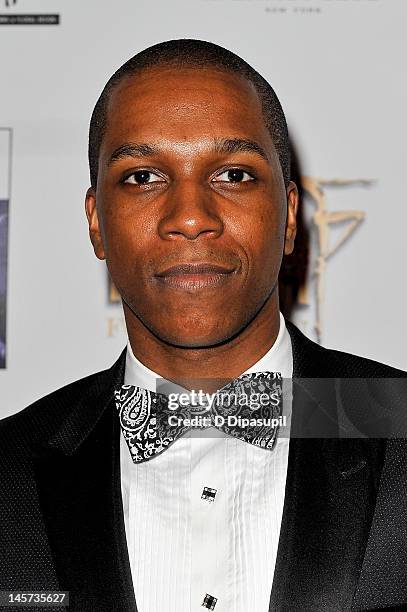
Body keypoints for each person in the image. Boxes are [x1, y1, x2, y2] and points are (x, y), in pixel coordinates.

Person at [0, 39, 406, 612]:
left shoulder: (399, 428)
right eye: (142, 177)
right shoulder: (9, 468)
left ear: (290, 216)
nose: (190, 217)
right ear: (95, 222)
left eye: (234, 174)